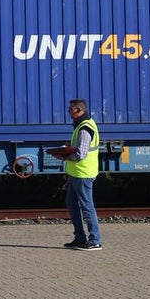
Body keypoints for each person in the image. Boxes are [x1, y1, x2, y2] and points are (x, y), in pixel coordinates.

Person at [63, 98, 102, 250]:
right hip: (77, 172)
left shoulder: (85, 128)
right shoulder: (82, 125)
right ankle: (80, 238)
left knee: (87, 206)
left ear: (79, 110)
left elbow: (81, 154)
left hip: (83, 173)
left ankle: (95, 240)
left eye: (70, 110)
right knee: (72, 204)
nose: (68, 112)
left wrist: (64, 156)